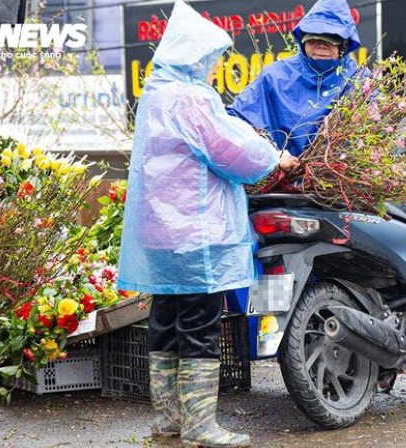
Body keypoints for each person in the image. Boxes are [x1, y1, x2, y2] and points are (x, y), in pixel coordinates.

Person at [116, 1, 298, 447]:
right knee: (198, 324)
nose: (216, 68)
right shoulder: (192, 98)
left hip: (159, 234)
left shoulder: (155, 94)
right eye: (213, 59)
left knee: (165, 321)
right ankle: (200, 426)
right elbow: (232, 151)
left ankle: (168, 421)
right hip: (195, 234)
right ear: (195, 56)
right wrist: (277, 157)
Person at [228, 0, 362, 157]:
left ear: (344, 45)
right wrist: (273, 157)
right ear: (302, 40)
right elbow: (237, 122)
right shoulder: (274, 77)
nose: (320, 46)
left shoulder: (359, 81)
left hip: (338, 178)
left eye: (330, 40)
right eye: (313, 39)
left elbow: (379, 131)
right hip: (279, 176)